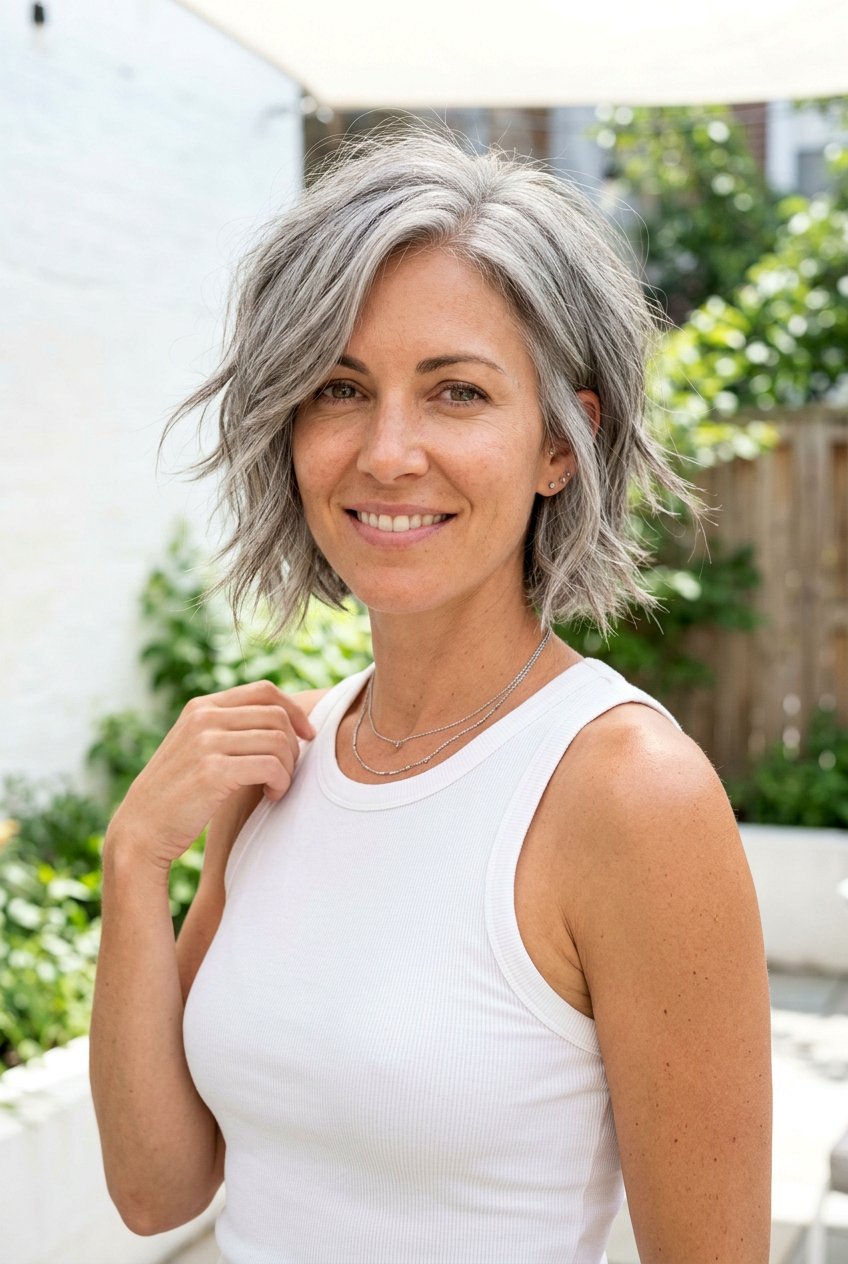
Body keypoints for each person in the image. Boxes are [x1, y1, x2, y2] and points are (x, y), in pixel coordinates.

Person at [89, 125, 772, 1263]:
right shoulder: (283, 756)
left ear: (562, 440)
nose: (387, 451)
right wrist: (132, 861)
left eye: (455, 392)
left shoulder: (624, 794)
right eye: (340, 387)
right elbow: (160, 1192)